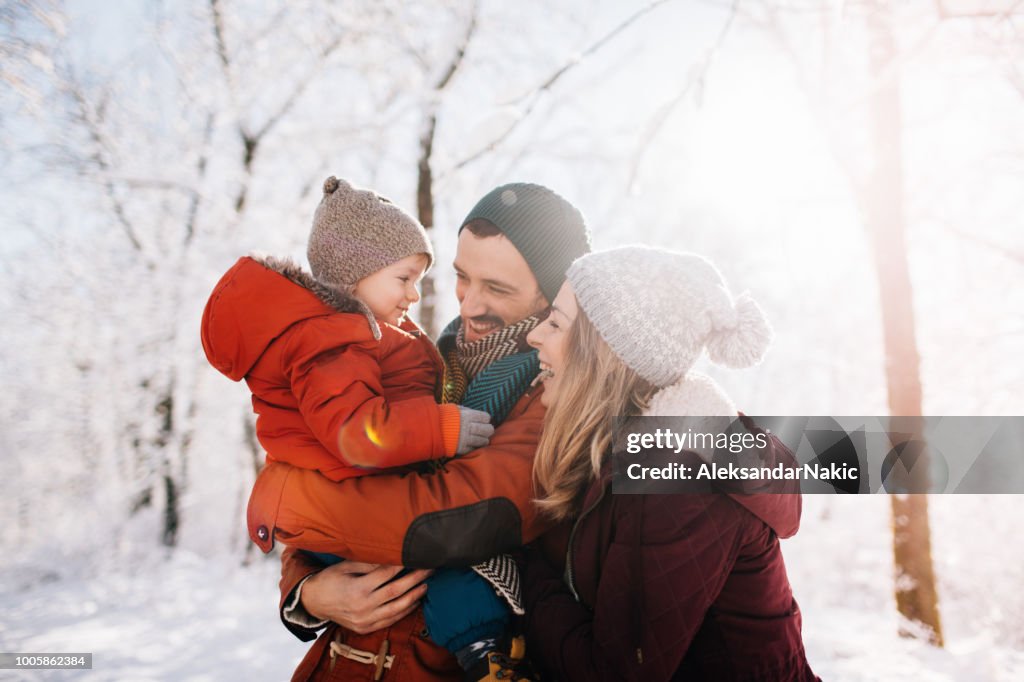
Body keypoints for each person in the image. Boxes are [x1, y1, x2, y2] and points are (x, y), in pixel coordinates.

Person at [246, 183, 592, 680]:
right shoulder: (419, 360)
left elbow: (459, 516)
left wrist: (289, 498)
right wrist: (310, 593)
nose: (469, 306)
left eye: (497, 288)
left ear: (551, 292)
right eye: (461, 277)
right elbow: (336, 468)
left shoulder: (555, 394)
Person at [201, 177, 516, 673]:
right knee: (452, 580)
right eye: (404, 278)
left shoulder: (365, 337)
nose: (416, 295)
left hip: (370, 552)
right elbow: (354, 432)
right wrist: (308, 595)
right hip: (349, 564)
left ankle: (486, 652)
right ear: (356, 274)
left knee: (454, 576)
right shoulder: (333, 341)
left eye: (498, 285)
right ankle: (487, 657)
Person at [516, 246, 819, 681]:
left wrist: (519, 567)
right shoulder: (613, 452)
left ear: (602, 353)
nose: (535, 335)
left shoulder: (675, 484)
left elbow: (613, 673)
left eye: (557, 323)